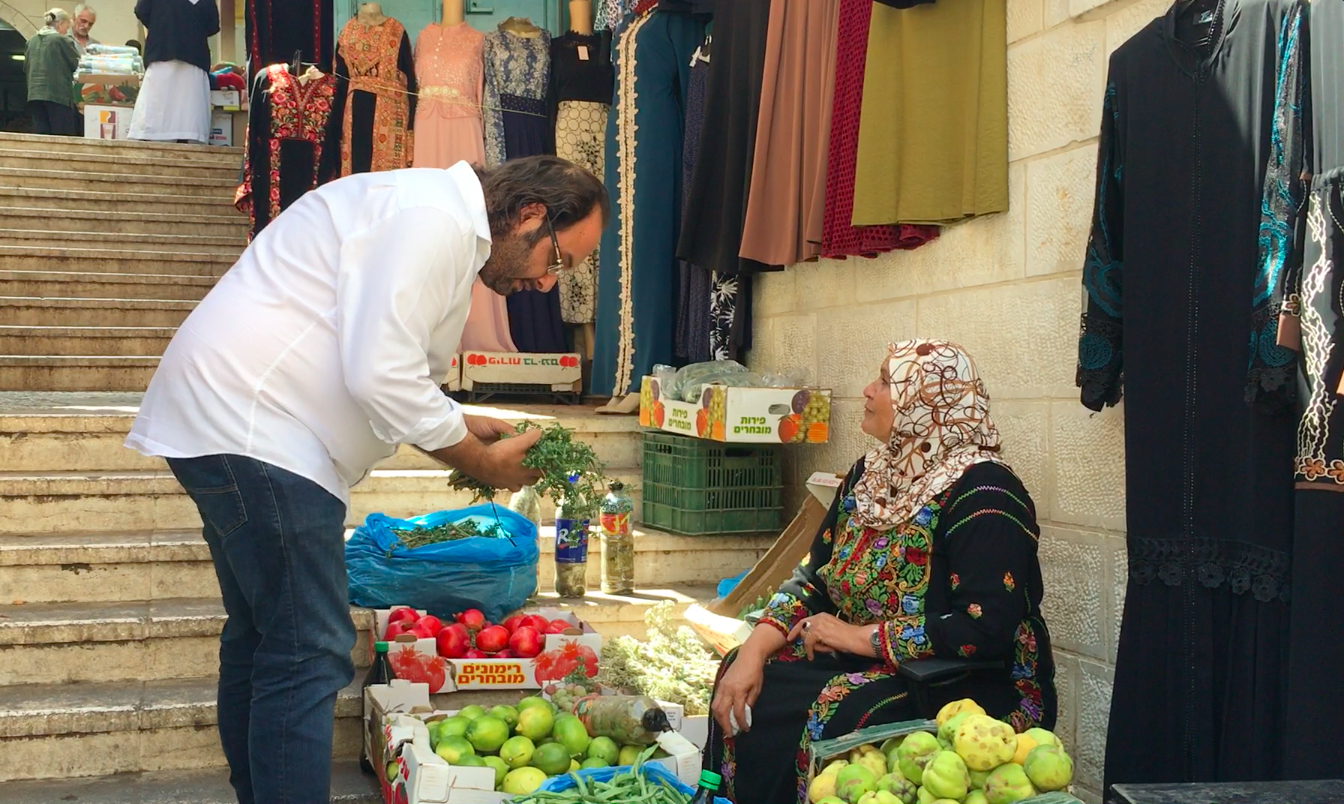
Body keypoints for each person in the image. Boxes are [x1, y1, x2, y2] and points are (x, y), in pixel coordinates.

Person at [124, 155, 608, 804]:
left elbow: (391, 365)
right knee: (309, 648)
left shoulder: (435, 217)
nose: (548, 283)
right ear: (530, 214)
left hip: (239, 422)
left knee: (265, 637)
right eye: (559, 260)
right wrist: (477, 459)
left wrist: (461, 422)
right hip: (259, 427)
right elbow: (381, 373)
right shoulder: (433, 218)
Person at [705, 339, 1058, 804]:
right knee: (744, 673)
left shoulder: (986, 493)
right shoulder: (870, 477)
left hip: (966, 680)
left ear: (928, 401)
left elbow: (983, 627)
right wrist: (754, 648)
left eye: (887, 381)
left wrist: (858, 637)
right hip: (869, 662)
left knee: (833, 708)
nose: (868, 390)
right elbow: (815, 577)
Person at [128, 0, 219, 143]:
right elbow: (212, 25)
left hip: (161, 52)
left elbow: (142, 11)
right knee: (191, 122)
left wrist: (162, 24)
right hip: (194, 56)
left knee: (154, 120)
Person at [24, 9, 80, 136]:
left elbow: (26, 67)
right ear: (60, 24)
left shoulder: (31, 42)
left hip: (34, 96)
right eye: (66, 27)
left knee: (42, 137)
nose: (66, 31)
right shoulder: (62, 41)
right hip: (58, 96)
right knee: (62, 137)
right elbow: (77, 64)